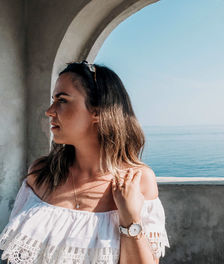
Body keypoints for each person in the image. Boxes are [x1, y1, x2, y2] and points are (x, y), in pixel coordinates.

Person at [0, 61, 170, 263]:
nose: (49, 111)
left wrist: (130, 219)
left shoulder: (138, 181)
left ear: (98, 111)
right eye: (53, 99)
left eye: (62, 100)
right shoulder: (40, 174)